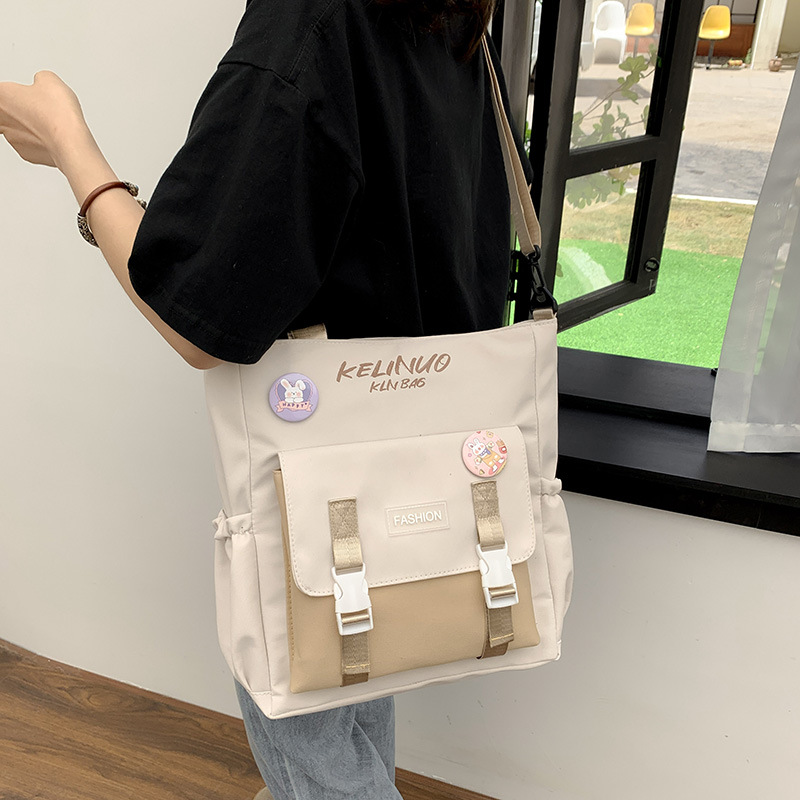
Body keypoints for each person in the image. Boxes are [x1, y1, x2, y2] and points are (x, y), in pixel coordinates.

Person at [0, 1, 532, 797]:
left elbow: (198, 318)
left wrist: (68, 143)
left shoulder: (310, 21)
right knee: (351, 657)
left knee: (317, 725)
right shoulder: (447, 16)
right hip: (411, 451)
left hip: (315, 460)